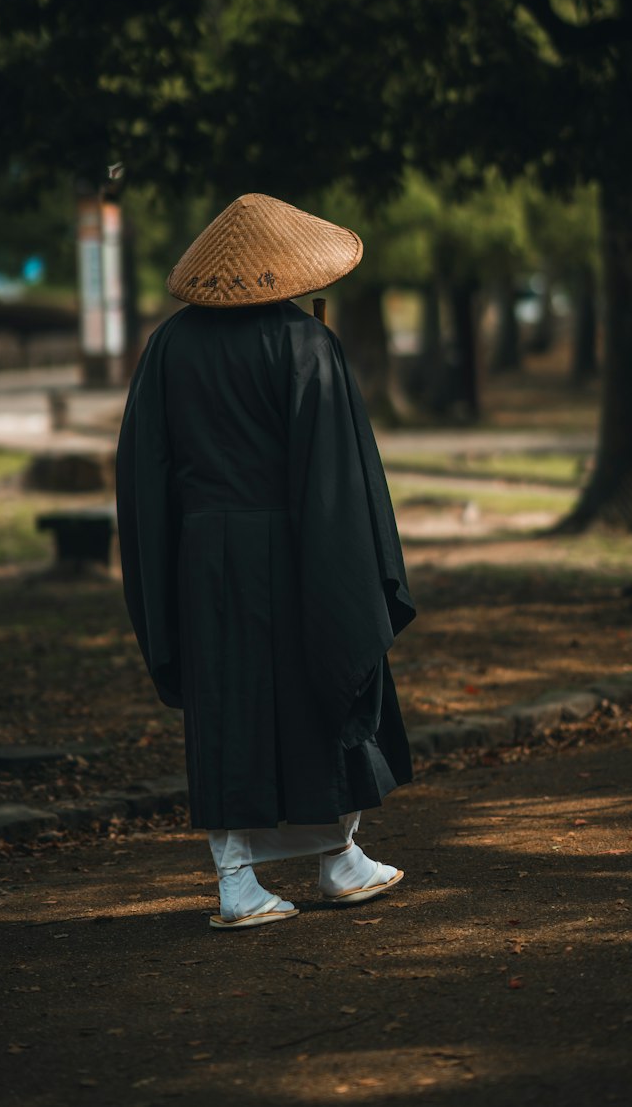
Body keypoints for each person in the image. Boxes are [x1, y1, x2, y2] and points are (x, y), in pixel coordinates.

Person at [116, 193, 415, 930]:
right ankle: (334, 858)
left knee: (228, 709)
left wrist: (166, 558)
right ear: (286, 271)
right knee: (324, 686)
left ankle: (243, 880)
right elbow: (336, 475)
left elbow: (142, 468)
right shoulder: (304, 344)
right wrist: (349, 569)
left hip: (200, 556)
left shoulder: (168, 345)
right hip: (297, 548)